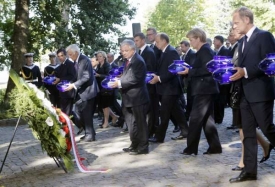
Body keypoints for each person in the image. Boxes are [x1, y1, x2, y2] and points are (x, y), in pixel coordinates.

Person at [229, 6, 275, 183]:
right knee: (247, 134)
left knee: (267, 129)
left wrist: (245, 71)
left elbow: (271, 63)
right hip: (244, 94)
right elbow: (240, 66)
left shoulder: (264, 36)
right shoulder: (241, 42)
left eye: (236, 22)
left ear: (247, 20)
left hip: (261, 92)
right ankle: (249, 171)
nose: (234, 26)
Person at [179, 28, 222, 155]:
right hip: (204, 88)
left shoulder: (205, 51)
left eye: (191, 40)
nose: (190, 43)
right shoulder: (202, 51)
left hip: (205, 89)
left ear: (198, 38)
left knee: (195, 119)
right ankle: (215, 147)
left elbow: (208, 69)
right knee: (207, 120)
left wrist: (189, 71)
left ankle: (191, 149)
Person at [111, 39, 150, 155]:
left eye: (126, 50)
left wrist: (119, 83)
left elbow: (136, 78)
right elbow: (128, 76)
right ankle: (134, 144)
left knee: (140, 124)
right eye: (122, 51)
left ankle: (143, 147)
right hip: (128, 98)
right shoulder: (128, 60)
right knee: (131, 124)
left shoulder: (138, 61)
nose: (123, 53)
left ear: (133, 50)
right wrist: (120, 78)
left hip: (138, 98)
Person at [148, 33, 188, 143]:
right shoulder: (164, 51)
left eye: (157, 41)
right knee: (177, 112)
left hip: (170, 88)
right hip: (166, 88)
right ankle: (185, 130)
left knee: (164, 114)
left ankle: (159, 137)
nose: (156, 44)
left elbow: (174, 71)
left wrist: (159, 78)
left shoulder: (171, 52)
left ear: (164, 41)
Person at [64, 44, 98, 142]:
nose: (69, 56)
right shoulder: (77, 61)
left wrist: (74, 85)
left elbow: (86, 76)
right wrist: (69, 83)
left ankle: (90, 135)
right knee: (80, 113)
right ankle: (89, 132)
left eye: (70, 54)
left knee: (86, 114)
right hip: (82, 92)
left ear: (76, 53)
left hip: (88, 91)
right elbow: (77, 76)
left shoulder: (84, 60)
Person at [134, 32, 158, 138]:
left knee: (152, 110)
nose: (135, 43)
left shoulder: (148, 51)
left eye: (137, 40)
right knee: (148, 110)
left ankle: (152, 131)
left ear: (143, 40)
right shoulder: (140, 52)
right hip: (144, 85)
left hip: (150, 85)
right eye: (134, 41)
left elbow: (150, 68)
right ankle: (149, 130)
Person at [95, 51, 118, 128]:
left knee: (105, 106)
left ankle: (106, 122)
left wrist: (99, 75)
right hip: (100, 88)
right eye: (98, 56)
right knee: (103, 106)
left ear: (104, 57)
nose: (98, 58)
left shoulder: (107, 65)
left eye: (100, 56)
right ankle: (114, 116)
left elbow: (109, 76)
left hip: (106, 88)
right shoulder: (98, 65)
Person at [53, 48, 77, 117]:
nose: (60, 57)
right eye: (59, 56)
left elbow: (73, 77)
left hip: (68, 91)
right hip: (62, 92)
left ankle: (80, 125)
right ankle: (79, 125)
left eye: (62, 55)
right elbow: (58, 76)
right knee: (65, 113)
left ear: (65, 55)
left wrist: (59, 79)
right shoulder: (61, 66)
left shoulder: (70, 64)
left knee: (67, 113)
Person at [213, 35, 231, 124]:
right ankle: (217, 117)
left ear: (219, 41)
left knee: (221, 100)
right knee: (217, 99)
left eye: (215, 40)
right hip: (218, 79)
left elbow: (225, 65)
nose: (213, 42)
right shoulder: (217, 52)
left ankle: (219, 118)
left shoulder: (225, 51)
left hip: (223, 80)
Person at [180, 40, 196, 121]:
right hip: (187, 79)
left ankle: (188, 115)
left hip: (191, 79)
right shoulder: (184, 55)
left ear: (187, 46)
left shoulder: (192, 54)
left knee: (190, 98)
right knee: (189, 98)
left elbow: (191, 67)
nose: (181, 49)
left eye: (182, 47)